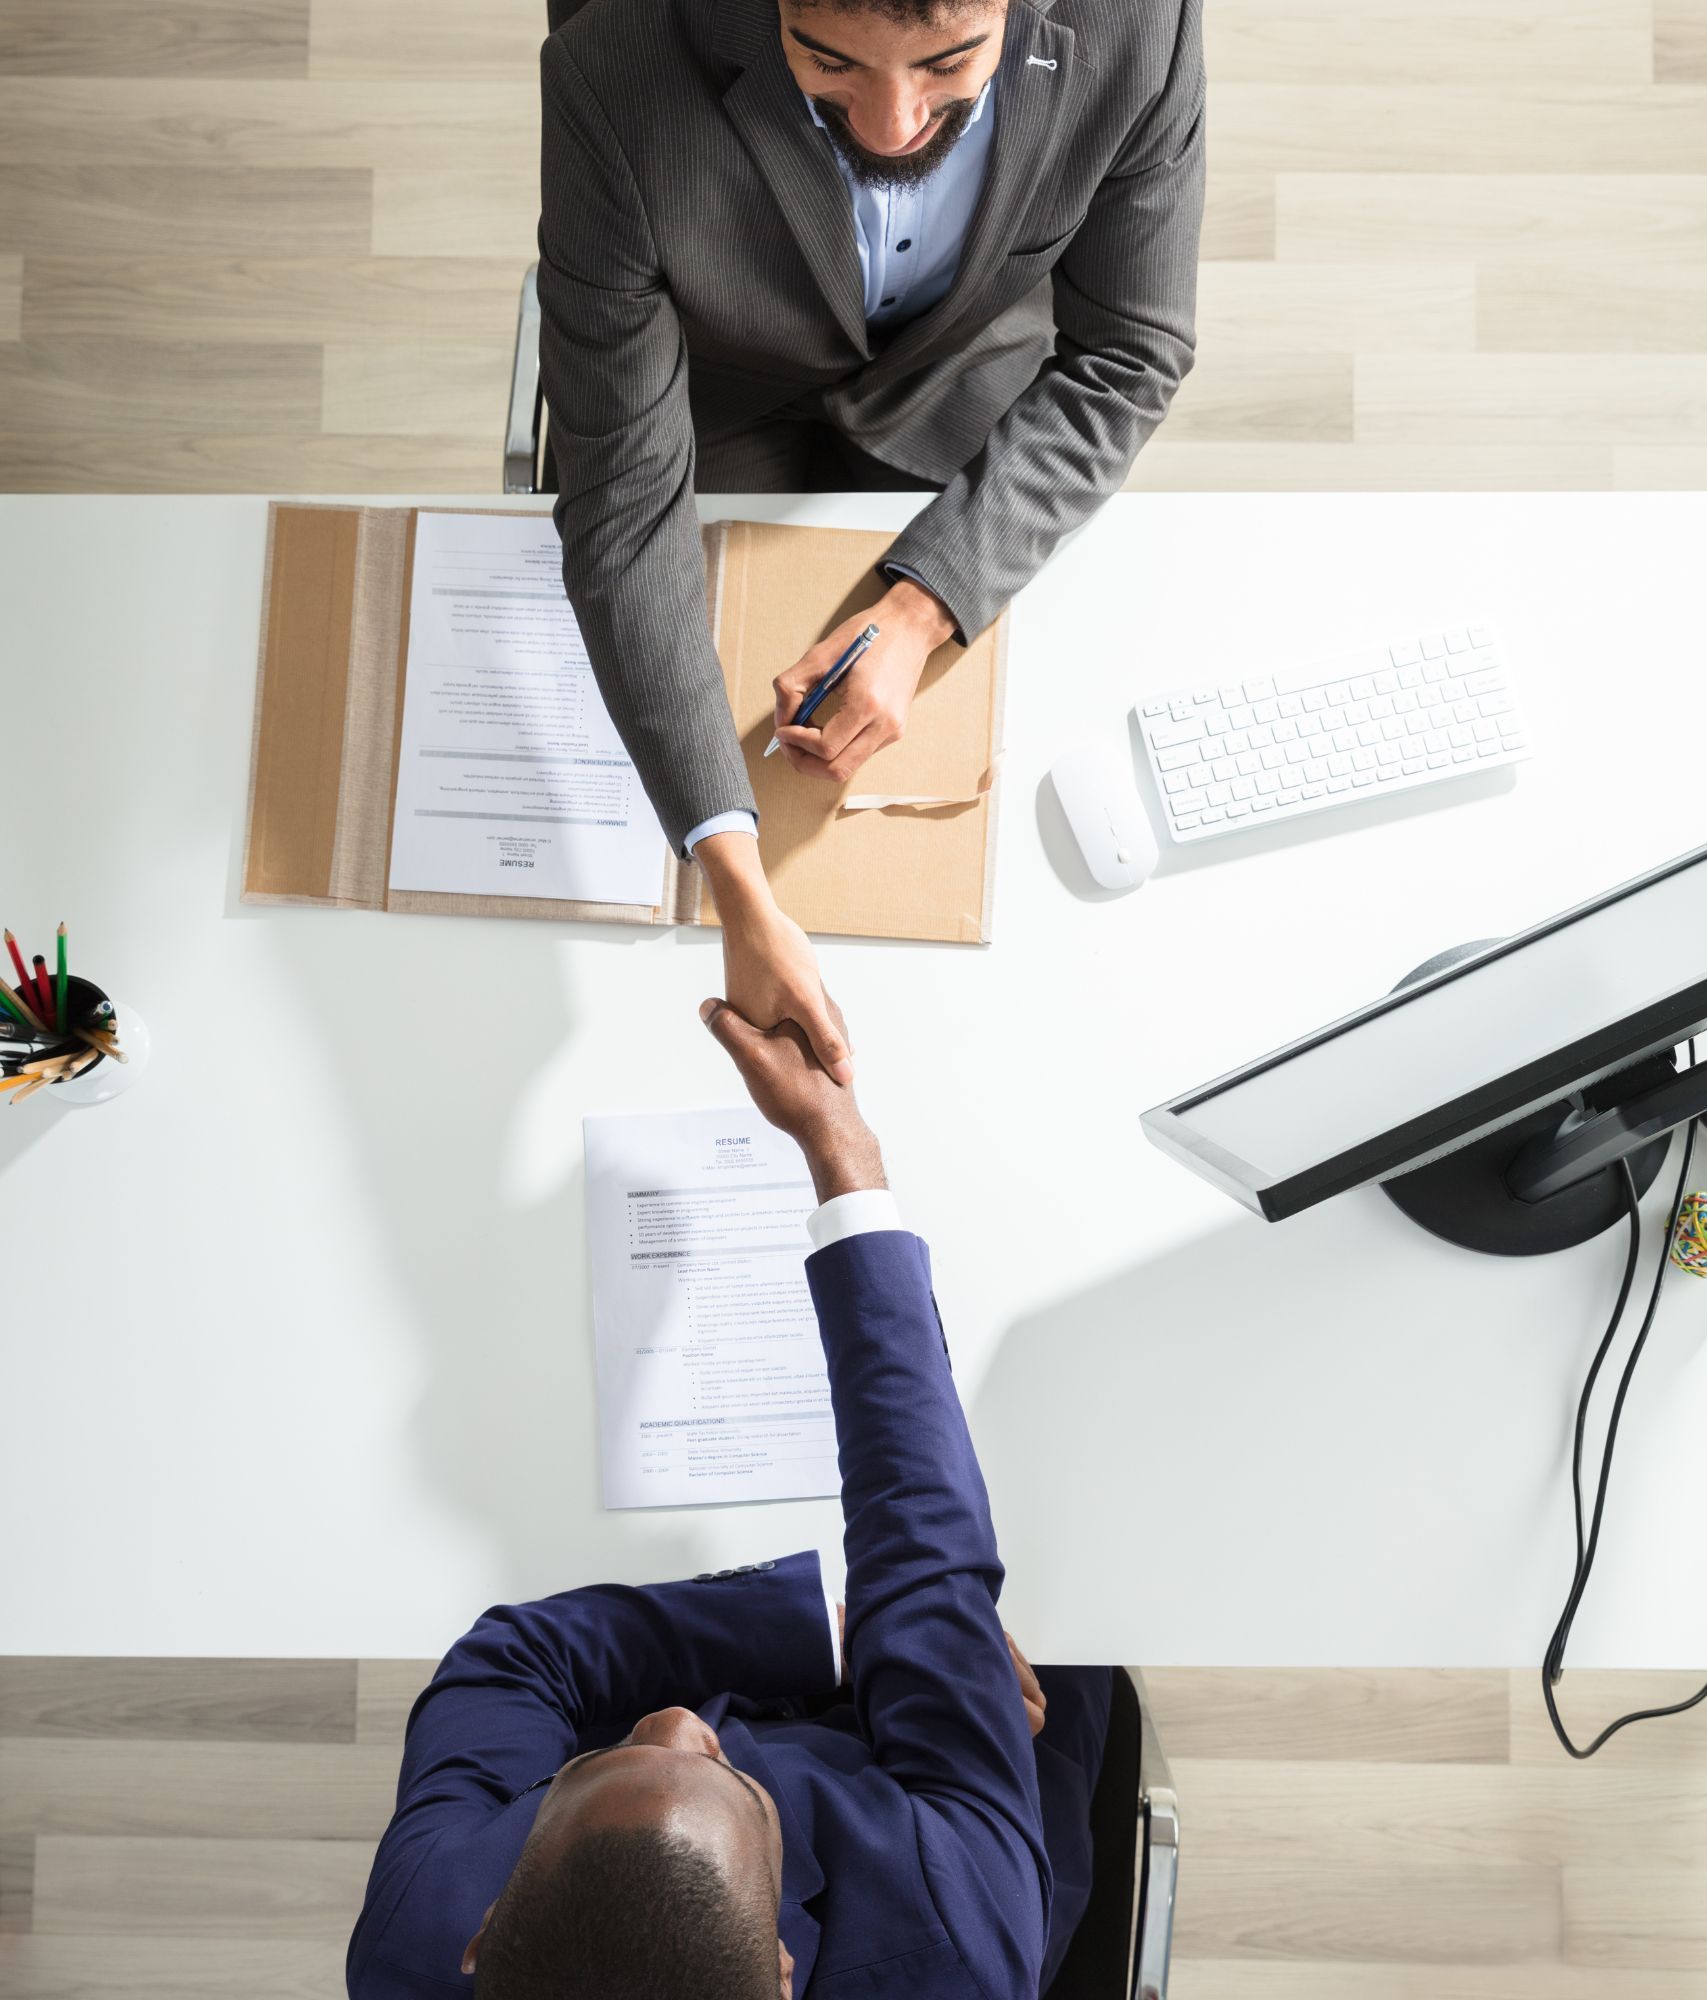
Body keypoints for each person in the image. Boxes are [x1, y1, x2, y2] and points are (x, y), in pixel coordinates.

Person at [346, 998, 1112, 1998]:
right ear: (783, 1967)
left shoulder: (417, 1931)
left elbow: (512, 1661)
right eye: (718, 1767)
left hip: (834, 1703)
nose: (668, 1716)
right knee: (1084, 1492)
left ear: (481, 1935)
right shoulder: (951, 1935)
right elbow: (926, 1563)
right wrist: (843, 1156)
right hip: (962, 1817)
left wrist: (806, 1636)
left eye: (606, 1760)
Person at [538, 0, 1206, 1080]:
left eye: (950, 65)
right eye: (827, 61)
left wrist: (921, 606)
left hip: (961, 385)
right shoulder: (614, 65)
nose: (894, 126)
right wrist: (739, 886)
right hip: (712, 389)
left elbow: (1129, 351)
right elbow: (621, 498)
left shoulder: (1140, 22)